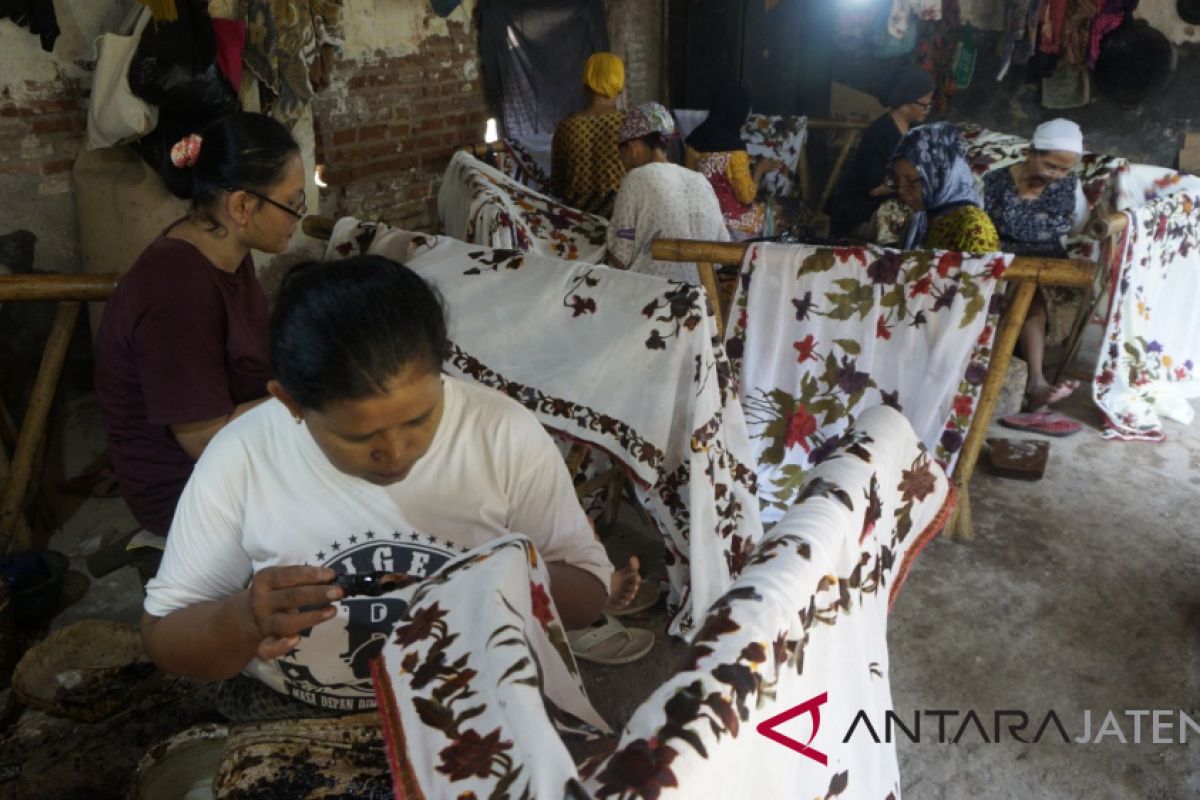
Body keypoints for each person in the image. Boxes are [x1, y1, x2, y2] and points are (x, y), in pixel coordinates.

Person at [141, 257, 649, 717]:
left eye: (421, 418)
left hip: (473, 707)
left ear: (441, 368)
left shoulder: (502, 433)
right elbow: (165, 638)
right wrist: (244, 619)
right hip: (293, 708)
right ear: (290, 402)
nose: (397, 451)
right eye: (358, 436)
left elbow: (586, 599)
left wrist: (515, 571)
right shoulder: (244, 454)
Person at [95, 112, 305, 540]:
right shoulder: (178, 288)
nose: (299, 216)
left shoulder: (225, 249)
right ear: (242, 206)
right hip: (186, 490)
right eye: (294, 203)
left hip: (228, 451)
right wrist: (315, 394)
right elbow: (206, 442)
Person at [984, 118, 1089, 412]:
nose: (1057, 175)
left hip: (1051, 267)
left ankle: (1036, 383)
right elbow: (979, 225)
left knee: (1034, 289)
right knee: (1023, 285)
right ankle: (1035, 383)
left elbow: (1079, 224)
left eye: (1065, 169)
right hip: (1005, 263)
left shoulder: (1070, 186)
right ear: (1031, 152)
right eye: (1051, 166)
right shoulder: (995, 182)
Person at [607, 101, 729, 284]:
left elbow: (620, 258)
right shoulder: (701, 181)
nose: (621, 161)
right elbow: (721, 252)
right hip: (700, 301)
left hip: (651, 301)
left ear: (633, 146)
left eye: (621, 150)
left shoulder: (635, 179)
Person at [831, 65, 936, 238]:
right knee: (913, 217)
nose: (927, 109)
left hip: (892, 199)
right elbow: (875, 188)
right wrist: (914, 181)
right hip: (863, 210)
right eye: (924, 105)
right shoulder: (880, 132)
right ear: (906, 101)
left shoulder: (913, 130)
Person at [684, 87, 781, 239]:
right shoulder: (735, 151)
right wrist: (760, 169)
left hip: (701, 219)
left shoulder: (694, 142)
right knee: (774, 213)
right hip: (731, 225)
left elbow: (689, 187)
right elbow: (746, 197)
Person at [891, 121, 999, 254]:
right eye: (896, 180)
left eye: (912, 181)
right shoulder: (922, 217)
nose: (901, 190)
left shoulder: (973, 228)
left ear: (942, 176)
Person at [549, 52, 627, 217]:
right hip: (620, 221)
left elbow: (557, 186)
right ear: (619, 85)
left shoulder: (566, 127)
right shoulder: (628, 124)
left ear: (585, 84)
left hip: (577, 223)